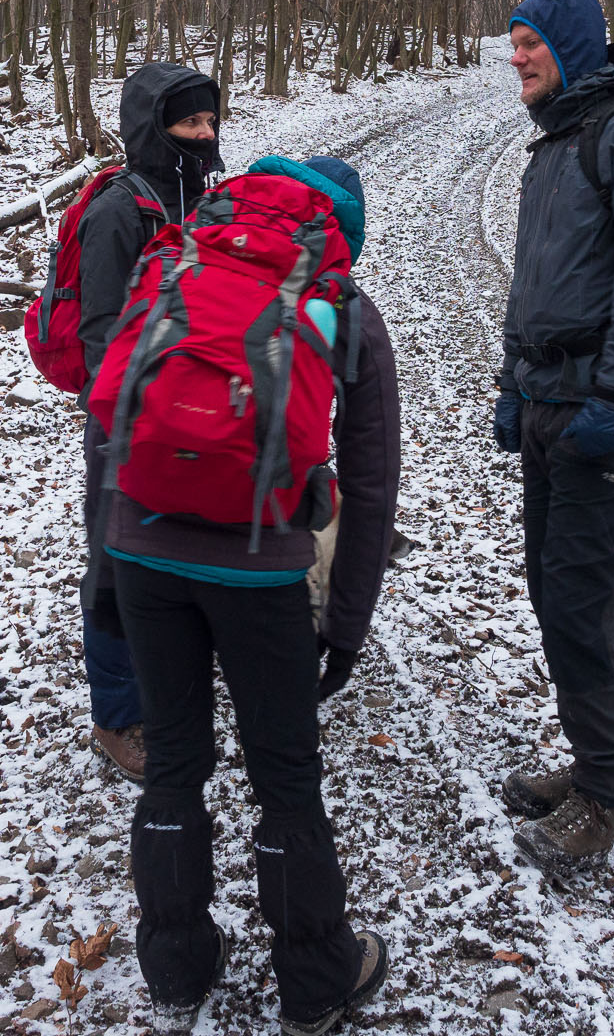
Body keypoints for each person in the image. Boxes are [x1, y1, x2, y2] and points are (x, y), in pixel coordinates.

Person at [98, 154, 397, 1035]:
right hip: (262, 568)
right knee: (286, 778)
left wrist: (111, 570)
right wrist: (346, 624)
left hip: (145, 550)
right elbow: (371, 487)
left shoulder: (177, 258)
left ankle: (177, 971)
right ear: (336, 230)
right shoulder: (341, 303)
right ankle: (316, 981)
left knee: (176, 767)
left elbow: (109, 412)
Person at [492, 0, 614, 874]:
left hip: (603, 409)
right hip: (548, 400)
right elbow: (533, 282)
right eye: (514, 45)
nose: (517, 58)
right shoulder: (554, 147)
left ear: (571, 47)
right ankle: (591, 760)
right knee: (552, 592)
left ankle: (606, 792)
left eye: (531, 43)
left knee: (577, 597)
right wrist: (512, 384)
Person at [73, 62, 224, 783]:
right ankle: (118, 715)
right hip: (125, 420)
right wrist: (137, 413)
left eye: (209, 120)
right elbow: (101, 330)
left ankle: (170, 686)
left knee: (175, 558)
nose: (205, 134)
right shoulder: (118, 210)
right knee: (114, 564)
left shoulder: (202, 198)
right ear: (152, 127)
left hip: (190, 417)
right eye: (189, 122)